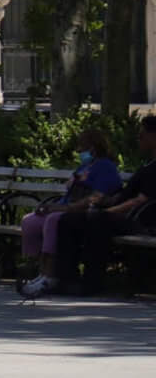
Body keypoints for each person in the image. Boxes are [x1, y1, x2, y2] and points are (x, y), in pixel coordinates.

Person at [53, 115, 156, 297]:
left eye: (142, 135)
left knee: (97, 220)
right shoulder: (147, 165)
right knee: (69, 220)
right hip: (121, 215)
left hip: (141, 221)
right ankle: (66, 278)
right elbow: (125, 195)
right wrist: (104, 202)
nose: (138, 139)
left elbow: (140, 200)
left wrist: (108, 211)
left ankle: (92, 283)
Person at [18, 128, 123, 297]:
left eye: (81, 147)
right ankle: (40, 271)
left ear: (93, 148)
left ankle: (50, 276)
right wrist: (53, 205)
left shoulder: (105, 167)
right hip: (64, 206)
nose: (78, 150)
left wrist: (62, 208)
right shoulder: (84, 166)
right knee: (30, 221)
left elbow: (95, 198)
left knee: (53, 220)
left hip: (79, 212)